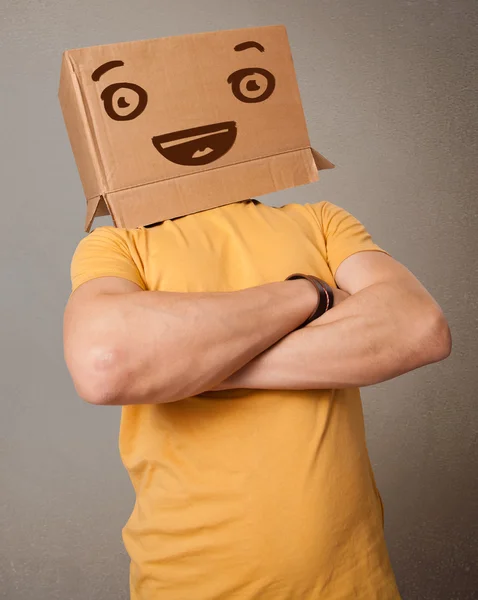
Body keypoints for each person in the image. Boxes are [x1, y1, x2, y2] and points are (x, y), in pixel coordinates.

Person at [63, 197, 451, 599]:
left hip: (356, 585)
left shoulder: (320, 221)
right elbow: (103, 365)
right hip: (191, 586)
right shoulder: (119, 244)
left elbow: (421, 328)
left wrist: (199, 369)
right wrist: (311, 293)